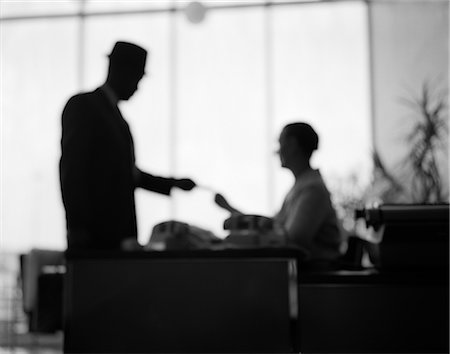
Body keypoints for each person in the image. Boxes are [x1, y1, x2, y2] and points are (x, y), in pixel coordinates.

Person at [60, 41, 196, 251]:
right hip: (95, 236)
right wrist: (77, 226)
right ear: (123, 72)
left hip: (113, 235)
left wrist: (172, 184)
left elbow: (125, 174)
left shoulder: (110, 115)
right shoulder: (84, 107)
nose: (137, 86)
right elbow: (72, 169)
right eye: (138, 78)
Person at [215, 122, 344, 263]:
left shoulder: (312, 189)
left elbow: (293, 238)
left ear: (293, 145)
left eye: (280, 143)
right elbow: (270, 226)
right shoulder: (302, 187)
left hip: (314, 273)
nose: (276, 151)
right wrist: (229, 208)